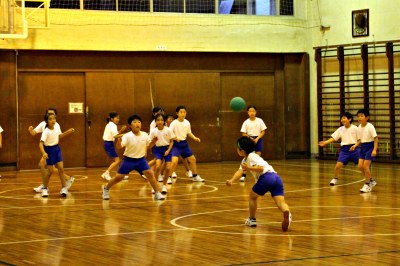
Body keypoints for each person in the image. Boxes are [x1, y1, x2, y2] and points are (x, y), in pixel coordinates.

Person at [226, 136, 292, 231]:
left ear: (242, 151)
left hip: (266, 177)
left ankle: (252, 219)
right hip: (276, 178)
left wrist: (248, 168)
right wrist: (231, 180)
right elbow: (240, 171)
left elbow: (260, 168)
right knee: (280, 202)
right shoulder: (245, 160)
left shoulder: (251, 157)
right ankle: (286, 213)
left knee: (252, 197)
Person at [102, 114, 165, 200]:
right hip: (128, 160)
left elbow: (149, 146)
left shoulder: (144, 135)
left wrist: (153, 142)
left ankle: (157, 193)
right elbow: (119, 147)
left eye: (139, 122)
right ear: (130, 125)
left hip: (141, 160)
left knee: (150, 174)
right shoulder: (127, 136)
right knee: (119, 177)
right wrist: (118, 142)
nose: (137, 124)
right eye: (134, 122)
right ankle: (106, 188)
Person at [28, 108, 75, 193]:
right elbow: (34, 133)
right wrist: (31, 130)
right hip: (47, 149)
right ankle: (66, 179)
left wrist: (68, 131)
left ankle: (46, 186)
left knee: (49, 167)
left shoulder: (57, 125)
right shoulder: (43, 125)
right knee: (46, 167)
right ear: (47, 117)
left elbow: (59, 136)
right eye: (49, 115)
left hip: (54, 148)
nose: (52, 118)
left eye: (53, 115)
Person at [318, 112, 360, 186]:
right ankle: (335, 178)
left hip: (354, 149)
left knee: (362, 165)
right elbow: (334, 138)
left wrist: (355, 145)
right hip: (344, 150)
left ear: (349, 119)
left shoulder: (355, 128)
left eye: (344, 118)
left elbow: (360, 139)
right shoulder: (341, 129)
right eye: (341, 118)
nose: (342, 120)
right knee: (338, 165)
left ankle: (370, 179)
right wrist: (325, 142)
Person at [39, 113, 75, 197]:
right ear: (47, 121)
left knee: (61, 169)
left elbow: (59, 136)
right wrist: (44, 153)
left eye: (54, 118)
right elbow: (40, 144)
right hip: (49, 150)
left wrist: (68, 132)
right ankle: (45, 188)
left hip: (57, 149)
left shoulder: (57, 127)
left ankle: (64, 188)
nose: (53, 120)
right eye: (50, 119)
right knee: (50, 172)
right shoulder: (46, 132)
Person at [169, 105, 204, 182]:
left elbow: (189, 132)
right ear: (177, 113)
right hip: (176, 145)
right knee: (174, 161)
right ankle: (168, 177)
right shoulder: (174, 123)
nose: (183, 114)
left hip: (184, 144)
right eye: (181, 112)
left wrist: (195, 138)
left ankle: (195, 176)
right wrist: (175, 137)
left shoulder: (187, 122)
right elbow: (169, 132)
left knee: (192, 159)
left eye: (184, 112)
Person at [350, 109, 379, 193]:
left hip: (370, 146)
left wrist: (374, 150)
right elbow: (360, 140)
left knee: (366, 166)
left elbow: (376, 139)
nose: (359, 118)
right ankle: (371, 180)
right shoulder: (359, 127)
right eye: (358, 116)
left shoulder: (370, 126)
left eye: (362, 116)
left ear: (367, 117)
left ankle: (367, 185)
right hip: (363, 147)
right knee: (360, 166)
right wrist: (355, 145)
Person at [149, 114, 176, 194]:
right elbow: (150, 143)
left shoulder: (168, 130)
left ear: (164, 121)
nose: (160, 122)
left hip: (167, 149)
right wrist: (152, 144)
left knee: (168, 168)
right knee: (157, 166)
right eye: (158, 120)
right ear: (155, 122)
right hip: (158, 149)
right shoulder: (153, 131)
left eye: (161, 120)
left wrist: (168, 151)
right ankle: (155, 186)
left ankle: (164, 186)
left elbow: (172, 141)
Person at [239, 105, 267, 182]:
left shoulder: (260, 120)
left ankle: (257, 176)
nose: (252, 113)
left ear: (256, 112)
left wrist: (257, 139)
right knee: (247, 158)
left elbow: (263, 131)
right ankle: (243, 175)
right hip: (249, 140)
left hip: (258, 140)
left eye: (253, 111)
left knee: (257, 158)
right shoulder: (246, 122)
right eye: (250, 111)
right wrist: (250, 138)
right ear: (248, 112)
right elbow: (243, 133)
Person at [101, 112, 127, 181]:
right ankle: (106, 173)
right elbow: (115, 136)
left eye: (118, 118)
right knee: (117, 160)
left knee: (117, 160)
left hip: (108, 144)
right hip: (108, 144)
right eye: (117, 118)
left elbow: (115, 134)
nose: (118, 119)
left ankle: (120, 175)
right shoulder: (112, 125)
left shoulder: (110, 124)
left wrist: (121, 130)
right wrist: (126, 134)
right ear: (112, 119)